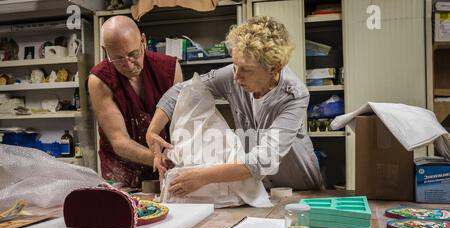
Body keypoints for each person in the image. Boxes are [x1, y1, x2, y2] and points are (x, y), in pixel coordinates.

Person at [146, 16, 323, 197]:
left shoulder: (294, 95)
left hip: (299, 188)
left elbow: (263, 160)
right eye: (235, 65)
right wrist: (152, 132)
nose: (237, 77)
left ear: (273, 68)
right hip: (260, 187)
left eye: (246, 69)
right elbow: (182, 90)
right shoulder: (234, 76)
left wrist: (203, 176)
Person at [87, 15, 183, 187]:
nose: (129, 65)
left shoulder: (169, 68)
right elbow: (119, 140)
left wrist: (179, 158)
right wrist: (158, 158)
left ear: (143, 41)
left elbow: (181, 124)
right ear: (105, 50)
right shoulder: (99, 80)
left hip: (168, 163)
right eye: (117, 58)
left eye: (133, 54)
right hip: (121, 171)